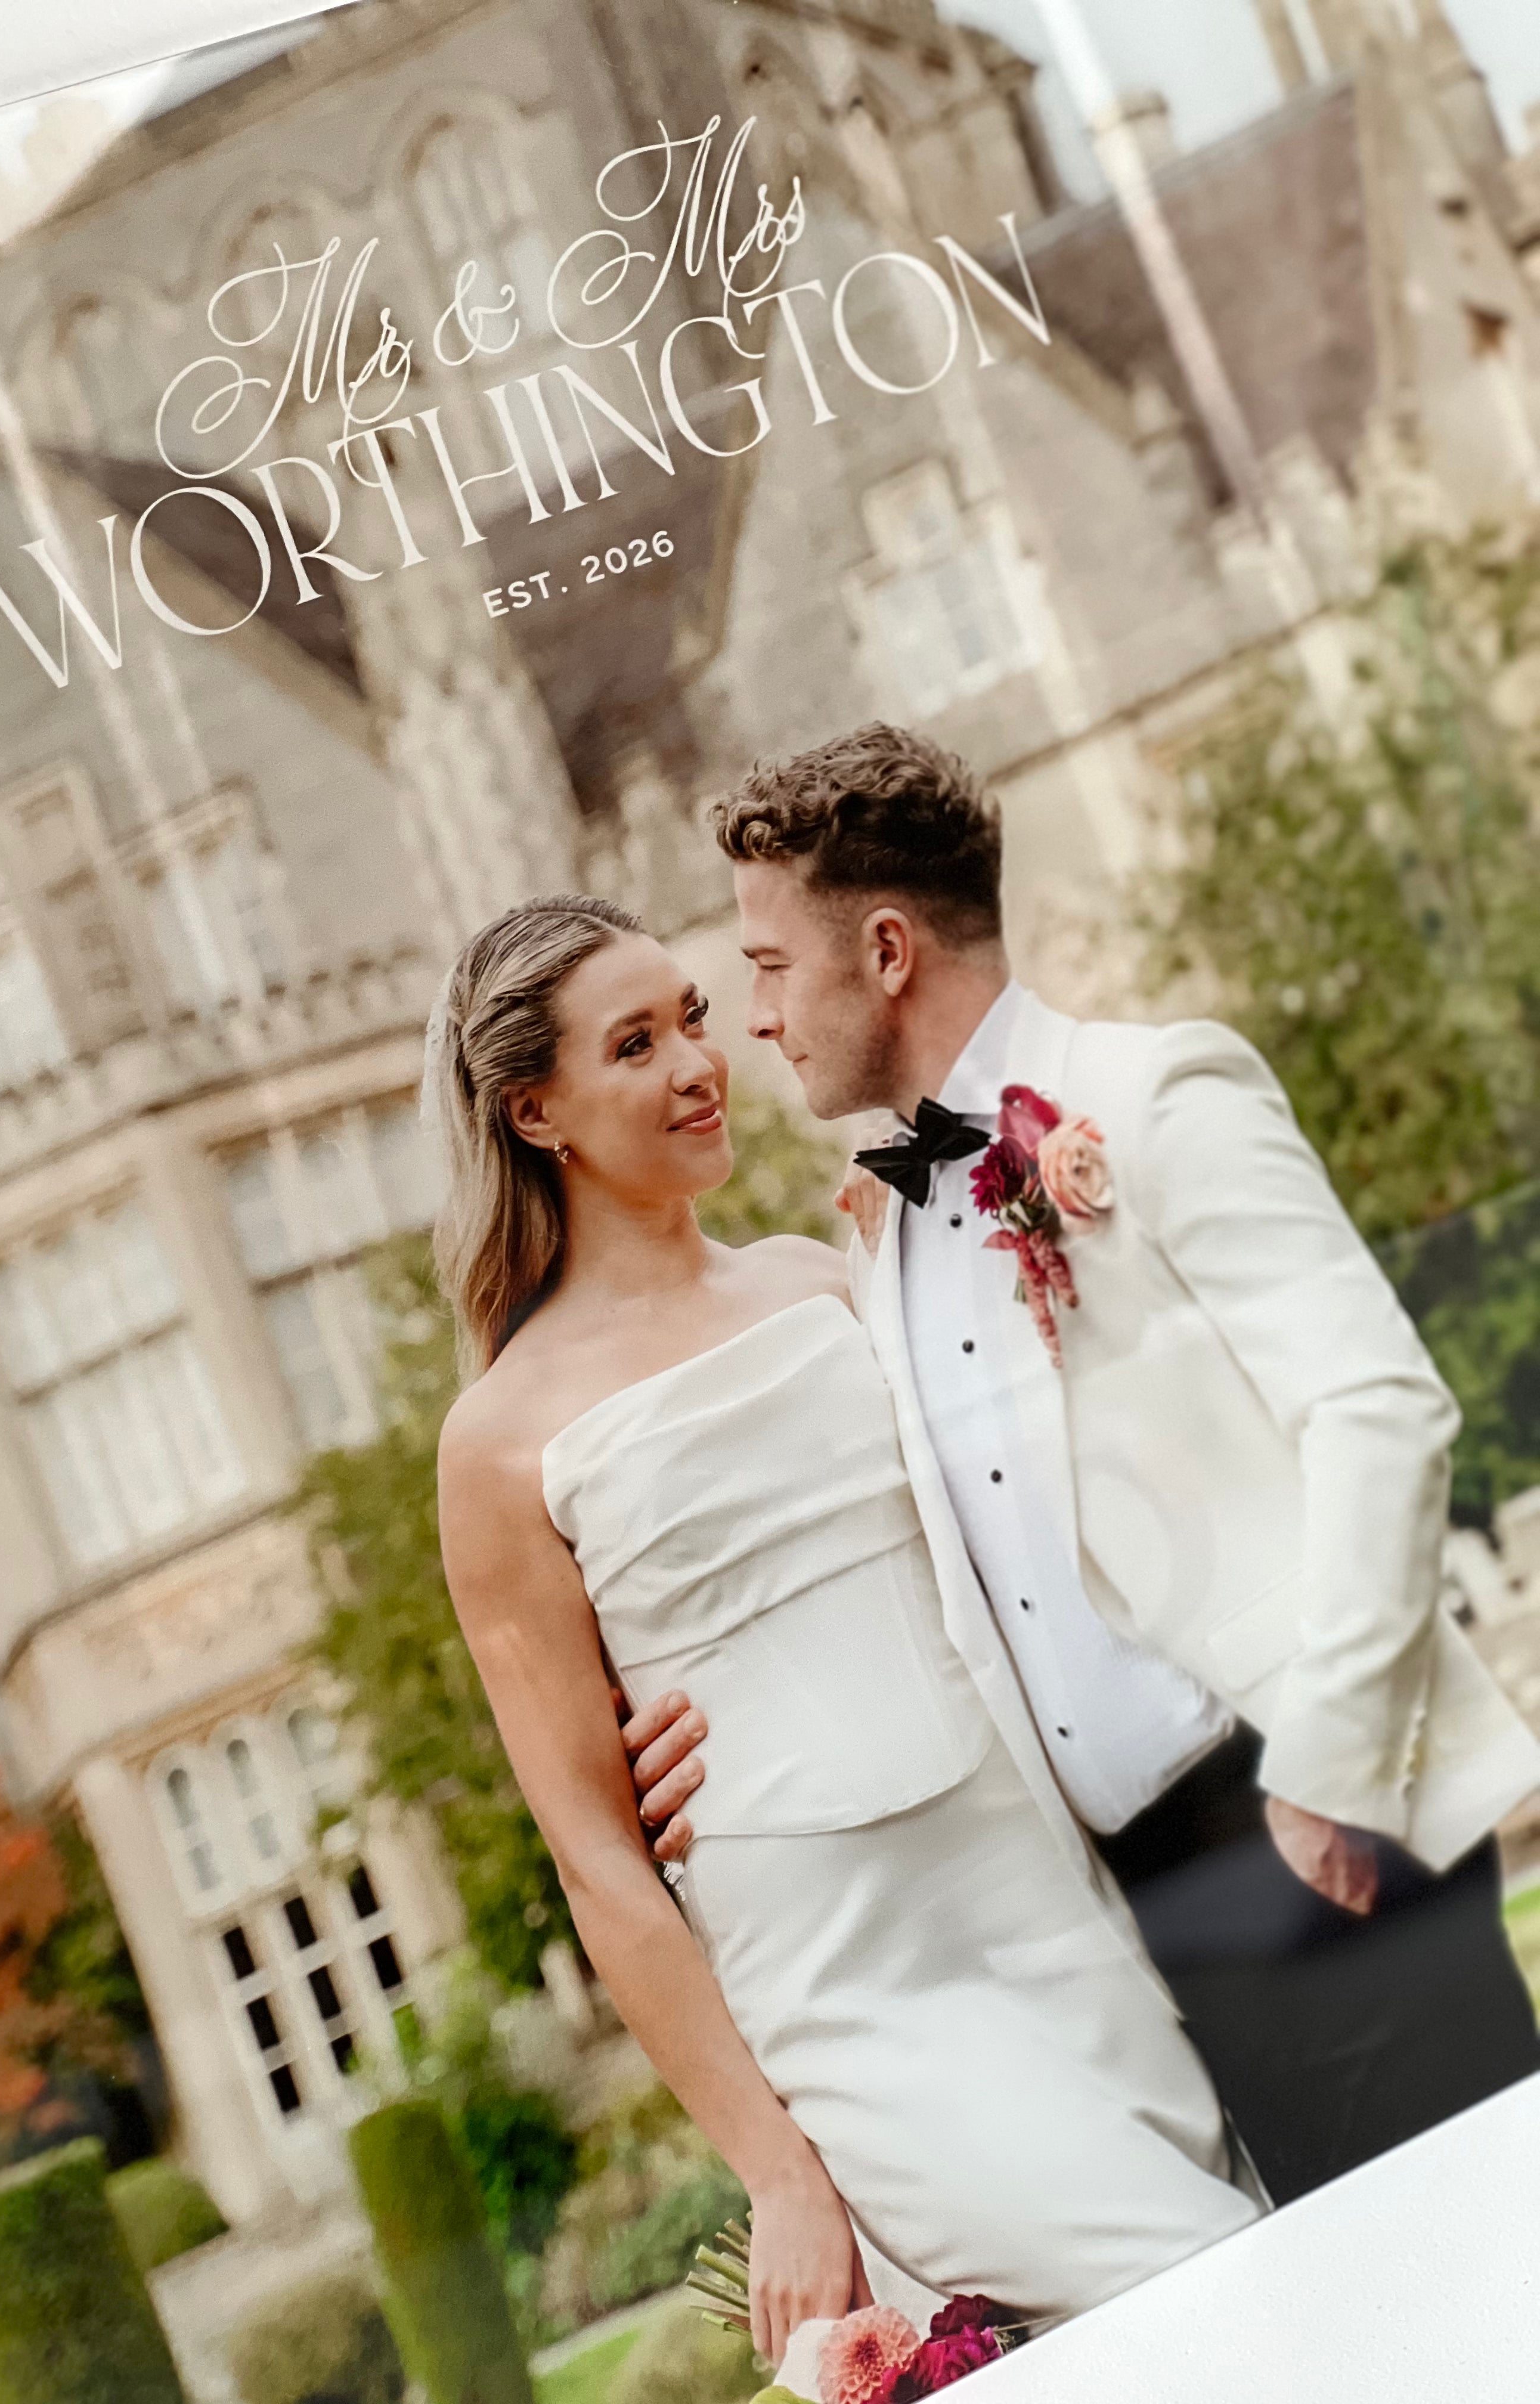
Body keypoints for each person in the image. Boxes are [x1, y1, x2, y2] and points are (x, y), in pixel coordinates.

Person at [627, 723, 1540, 2204]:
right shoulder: (887, 1237)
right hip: (1135, 1915)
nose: (755, 1015)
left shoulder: (1159, 1095)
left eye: (771, 966)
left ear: (885, 948)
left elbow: (1380, 1409)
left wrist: (1333, 1768)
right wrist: (683, 1748)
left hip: (1307, 1820)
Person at [430, 894, 1260, 2366]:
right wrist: (776, 2171)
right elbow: (596, 1854)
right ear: (536, 1111)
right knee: (1198, 2286)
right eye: (637, 1045)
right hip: (842, 1975)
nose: (700, 1064)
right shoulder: (497, 1445)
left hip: (1040, 1889)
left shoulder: (836, 1280)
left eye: (694, 1019)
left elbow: (1027, 1529)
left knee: (1233, 2267)